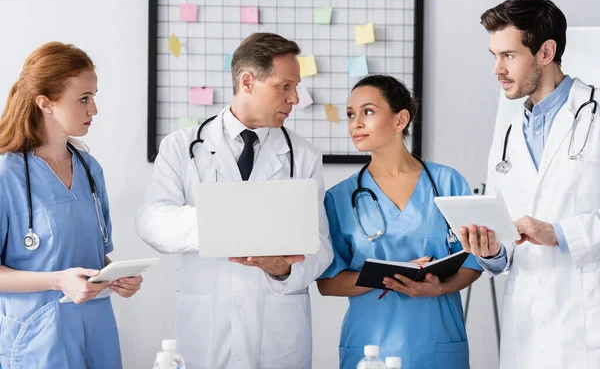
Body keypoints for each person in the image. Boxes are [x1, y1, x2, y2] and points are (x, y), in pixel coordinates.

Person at [136, 32, 333, 369]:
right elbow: (151, 221)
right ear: (248, 81)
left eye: (295, 87)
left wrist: (284, 269)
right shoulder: (181, 146)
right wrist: (224, 224)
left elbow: (322, 246)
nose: (295, 99)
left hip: (277, 331)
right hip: (206, 328)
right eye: (284, 86)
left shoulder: (304, 155)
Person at [458, 0, 600, 368]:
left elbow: (556, 229)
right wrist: (490, 250)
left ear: (546, 52)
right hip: (527, 333)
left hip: (588, 325)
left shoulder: (596, 116)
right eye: (495, 56)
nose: (497, 69)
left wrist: (562, 233)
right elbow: (507, 240)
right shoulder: (506, 133)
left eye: (508, 56)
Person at [316, 75, 482, 369]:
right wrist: (390, 276)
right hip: (370, 345)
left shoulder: (448, 183)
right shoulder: (340, 197)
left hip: (437, 343)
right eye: (351, 114)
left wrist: (439, 288)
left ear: (400, 119)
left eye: (368, 112)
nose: (355, 123)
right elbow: (327, 282)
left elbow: (473, 262)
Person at [0, 42, 142, 368]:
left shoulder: (90, 169)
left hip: (96, 328)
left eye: (94, 96)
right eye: (83, 99)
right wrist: (58, 280)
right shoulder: (6, 173)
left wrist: (116, 275)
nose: (94, 109)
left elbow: (91, 253)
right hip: (37, 337)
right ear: (45, 103)